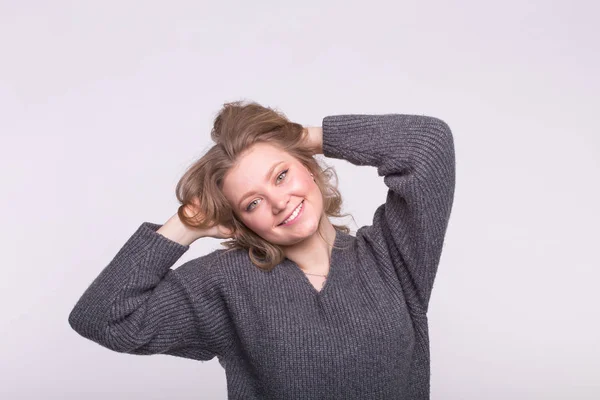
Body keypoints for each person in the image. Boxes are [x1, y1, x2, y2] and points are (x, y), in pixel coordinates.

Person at [68, 100, 456, 399]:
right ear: (240, 222)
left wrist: (296, 137)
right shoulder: (226, 282)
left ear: (309, 167)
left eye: (282, 175)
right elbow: (102, 318)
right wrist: (185, 225)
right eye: (252, 202)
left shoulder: (389, 257)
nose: (279, 202)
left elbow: (428, 146)